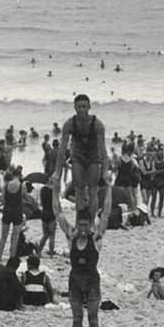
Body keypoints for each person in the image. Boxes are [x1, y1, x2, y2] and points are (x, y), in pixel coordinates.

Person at [54, 195, 109, 327]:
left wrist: (108, 189)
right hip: (75, 282)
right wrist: (54, 190)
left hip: (92, 282)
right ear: (77, 224)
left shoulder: (95, 238)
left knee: (93, 319)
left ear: (90, 225)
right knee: (77, 318)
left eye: (86, 225)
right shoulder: (72, 237)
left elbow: (106, 214)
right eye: (81, 225)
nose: (83, 228)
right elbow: (58, 213)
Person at [54, 94, 107, 227]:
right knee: (79, 190)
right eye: (79, 107)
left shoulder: (97, 124)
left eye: (84, 107)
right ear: (75, 108)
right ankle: (80, 221)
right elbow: (62, 149)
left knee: (92, 190)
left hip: (93, 157)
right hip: (77, 156)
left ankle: (91, 222)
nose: (82, 110)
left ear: (89, 107)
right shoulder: (69, 124)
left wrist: (105, 171)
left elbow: (103, 150)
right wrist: (57, 171)